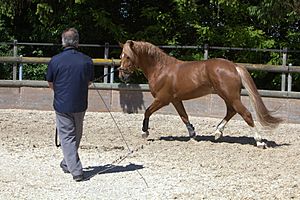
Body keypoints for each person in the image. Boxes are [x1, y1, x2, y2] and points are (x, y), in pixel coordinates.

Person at [46, 28, 94, 182]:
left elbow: (50, 82)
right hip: (80, 103)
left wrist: (60, 92)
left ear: (63, 41)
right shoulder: (87, 60)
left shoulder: (55, 60)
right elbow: (89, 82)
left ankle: (76, 171)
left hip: (62, 104)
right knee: (76, 134)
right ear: (77, 42)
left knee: (67, 137)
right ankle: (69, 163)